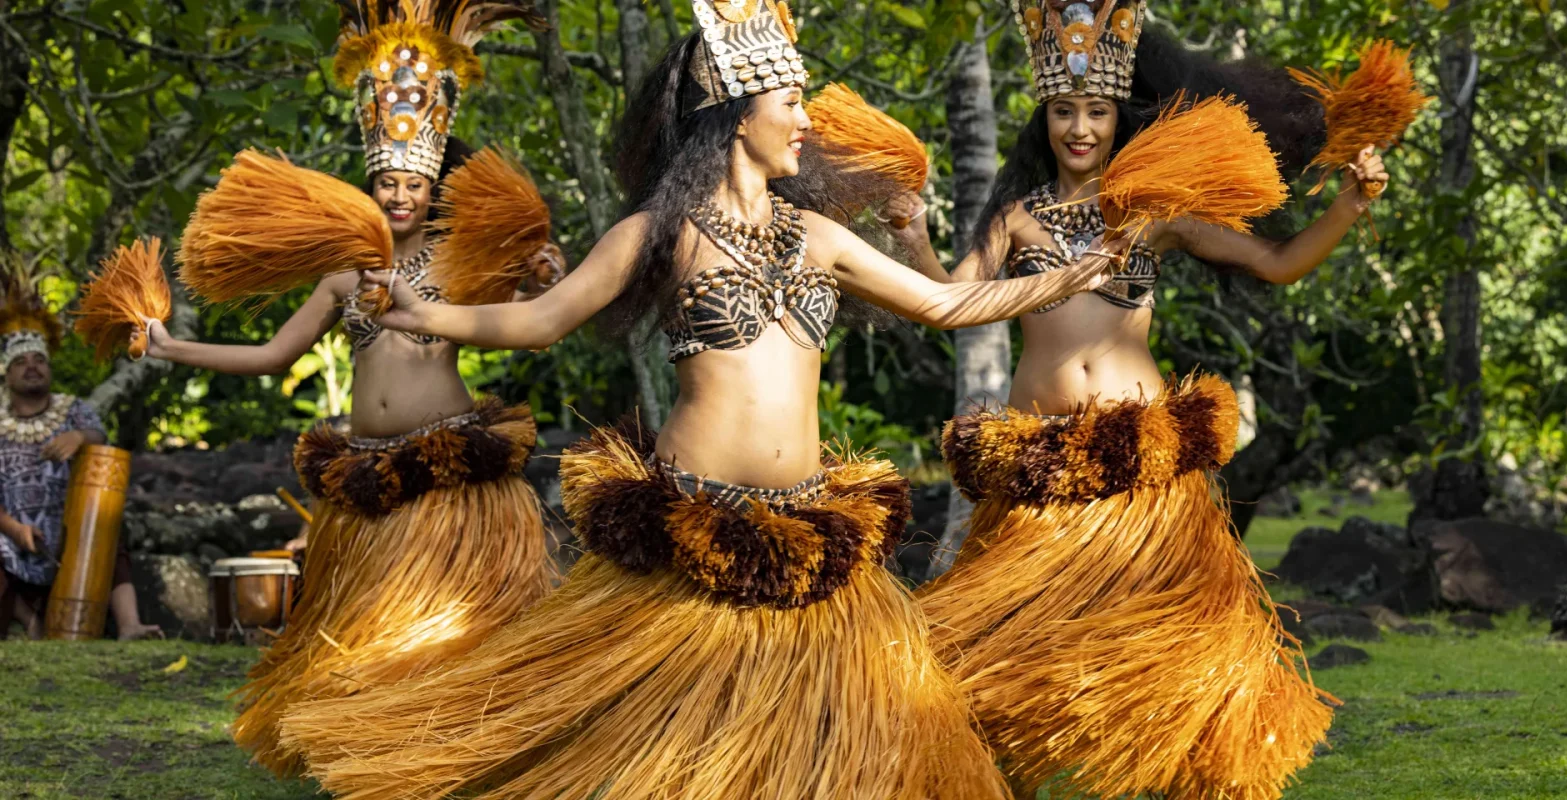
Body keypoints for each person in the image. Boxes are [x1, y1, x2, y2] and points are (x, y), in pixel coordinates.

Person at [277, 3, 1115, 798]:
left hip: (804, 522)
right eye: (792, 103)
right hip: (691, 519)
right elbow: (541, 319)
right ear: (737, 112)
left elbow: (945, 306)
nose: (807, 122)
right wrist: (428, 311)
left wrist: (1065, 279)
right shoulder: (658, 234)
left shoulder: (819, 238)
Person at [888, 3, 1392, 798]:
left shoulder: (1154, 216)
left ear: (1120, 116)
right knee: (1000, 643)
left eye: (1096, 111)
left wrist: (1349, 206)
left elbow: (1278, 261)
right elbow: (950, 298)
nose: (1080, 128)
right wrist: (912, 234)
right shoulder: (1017, 219)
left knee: (1169, 644)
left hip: (1143, 470)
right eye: (1064, 111)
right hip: (1039, 467)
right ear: (1043, 117)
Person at [142, 0, 556, 777]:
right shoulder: (343, 273)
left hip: (450, 476)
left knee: (440, 630)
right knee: (373, 629)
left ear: (436, 184)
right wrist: (171, 348)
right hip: (366, 474)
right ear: (367, 181)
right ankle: (383, 755)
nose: (400, 195)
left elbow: (539, 314)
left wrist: (541, 272)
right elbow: (271, 356)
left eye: (415, 182)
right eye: (387, 180)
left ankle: (442, 756)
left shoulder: (461, 260)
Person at [0, 257, 161, 641]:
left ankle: (129, 625)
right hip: (10, 532)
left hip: (70, 529)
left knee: (106, 524)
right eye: (21, 362)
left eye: (39, 359)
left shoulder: (72, 410)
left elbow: (100, 439)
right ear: (5, 373)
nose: (32, 367)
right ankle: (29, 620)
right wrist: (15, 529)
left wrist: (80, 438)